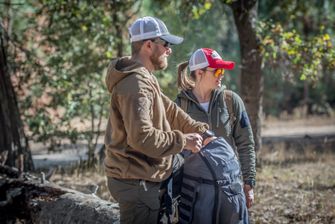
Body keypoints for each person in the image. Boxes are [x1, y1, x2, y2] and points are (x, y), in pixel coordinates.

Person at [104, 17, 212, 224]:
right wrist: (183, 141)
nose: (169, 50)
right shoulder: (135, 85)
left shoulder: (144, 77)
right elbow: (142, 138)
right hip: (136, 182)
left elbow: (169, 110)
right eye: (166, 44)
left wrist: (199, 129)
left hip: (142, 174)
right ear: (148, 45)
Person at [175, 48, 256, 209]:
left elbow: (246, 144)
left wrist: (248, 183)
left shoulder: (231, 101)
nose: (222, 75)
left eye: (223, 71)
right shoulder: (178, 106)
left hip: (230, 186)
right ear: (199, 73)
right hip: (194, 190)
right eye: (217, 71)